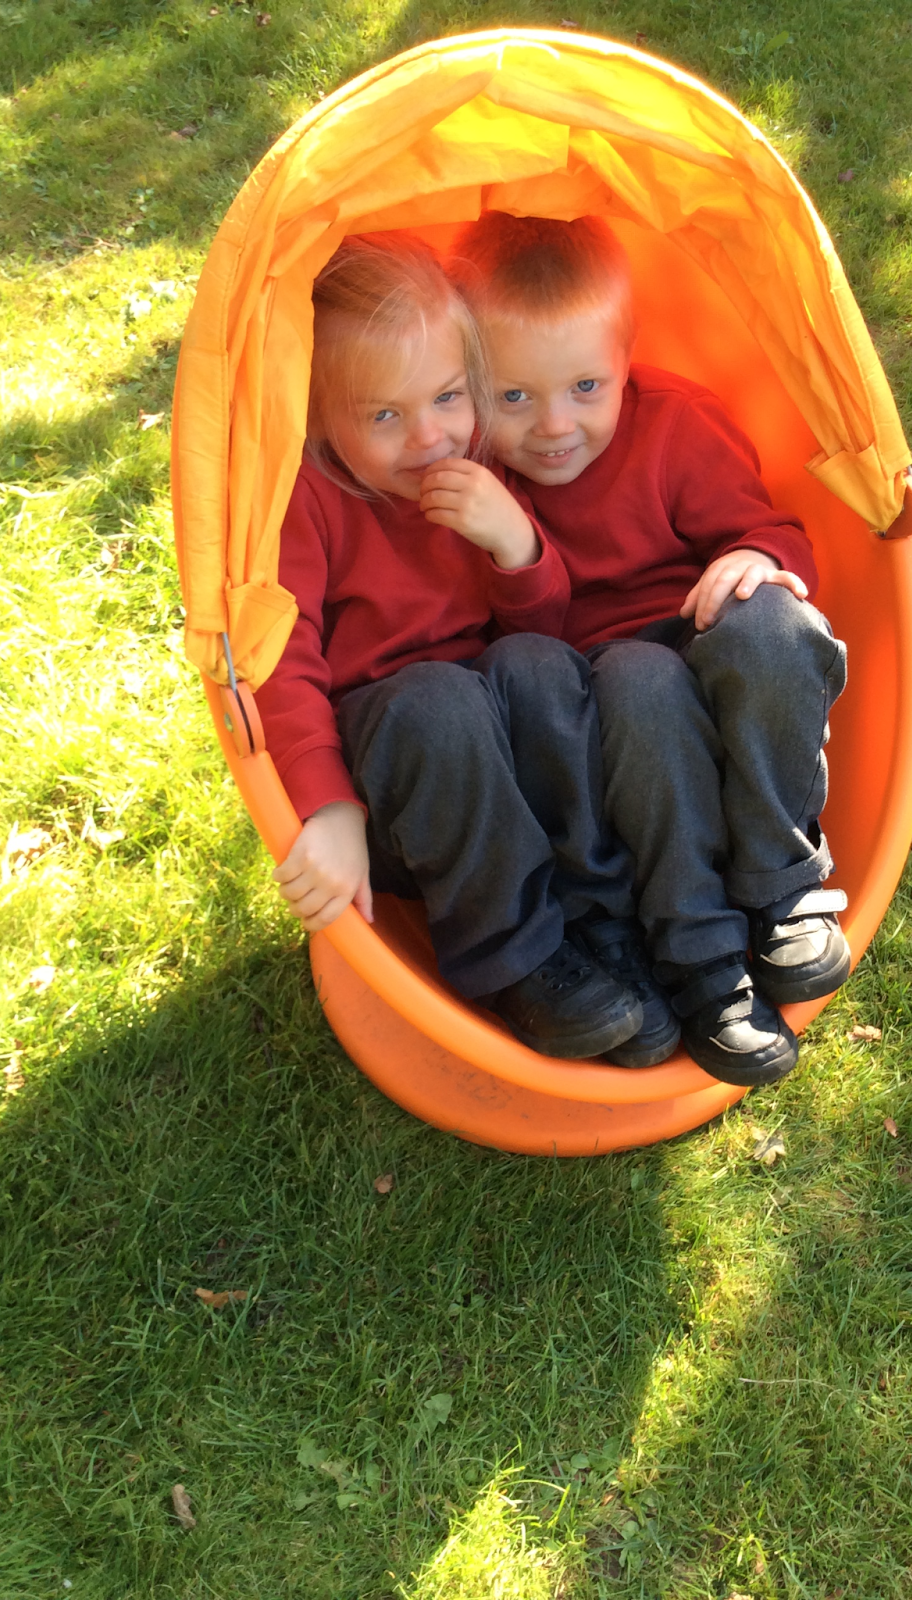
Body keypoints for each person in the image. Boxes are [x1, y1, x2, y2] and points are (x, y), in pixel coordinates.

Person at [452, 212, 850, 1087]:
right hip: (592, 719)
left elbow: (773, 533)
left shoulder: (674, 425)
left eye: (585, 386)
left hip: (696, 652)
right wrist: (510, 543)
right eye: (513, 397)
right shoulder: (473, 479)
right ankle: (702, 962)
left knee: (772, 618)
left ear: (626, 358)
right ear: (469, 383)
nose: (554, 424)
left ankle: (780, 880)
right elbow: (508, 653)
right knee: (635, 678)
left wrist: (755, 556)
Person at [255, 232, 645, 1060]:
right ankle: (516, 959)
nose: (428, 437)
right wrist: (328, 808)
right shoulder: (309, 500)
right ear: (321, 419)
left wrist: (516, 546)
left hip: (498, 761)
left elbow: (542, 634)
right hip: (399, 787)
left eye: (446, 397)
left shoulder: (480, 469)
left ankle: (602, 921)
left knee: (540, 666)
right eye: (383, 415)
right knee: (438, 699)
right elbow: (276, 658)